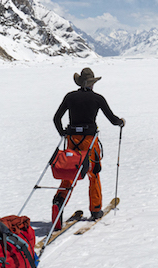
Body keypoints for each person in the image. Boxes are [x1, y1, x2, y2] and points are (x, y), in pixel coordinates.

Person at [52, 67, 125, 228]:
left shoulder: (70, 97)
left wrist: (63, 133)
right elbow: (113, 120)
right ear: (91, 83)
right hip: (89, 142)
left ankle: (58, 202)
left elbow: (56, 118)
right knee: (93, 173)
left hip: (72, 140)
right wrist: (121, 122)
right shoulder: (97, 98)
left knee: (70, 173)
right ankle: (95, 209)